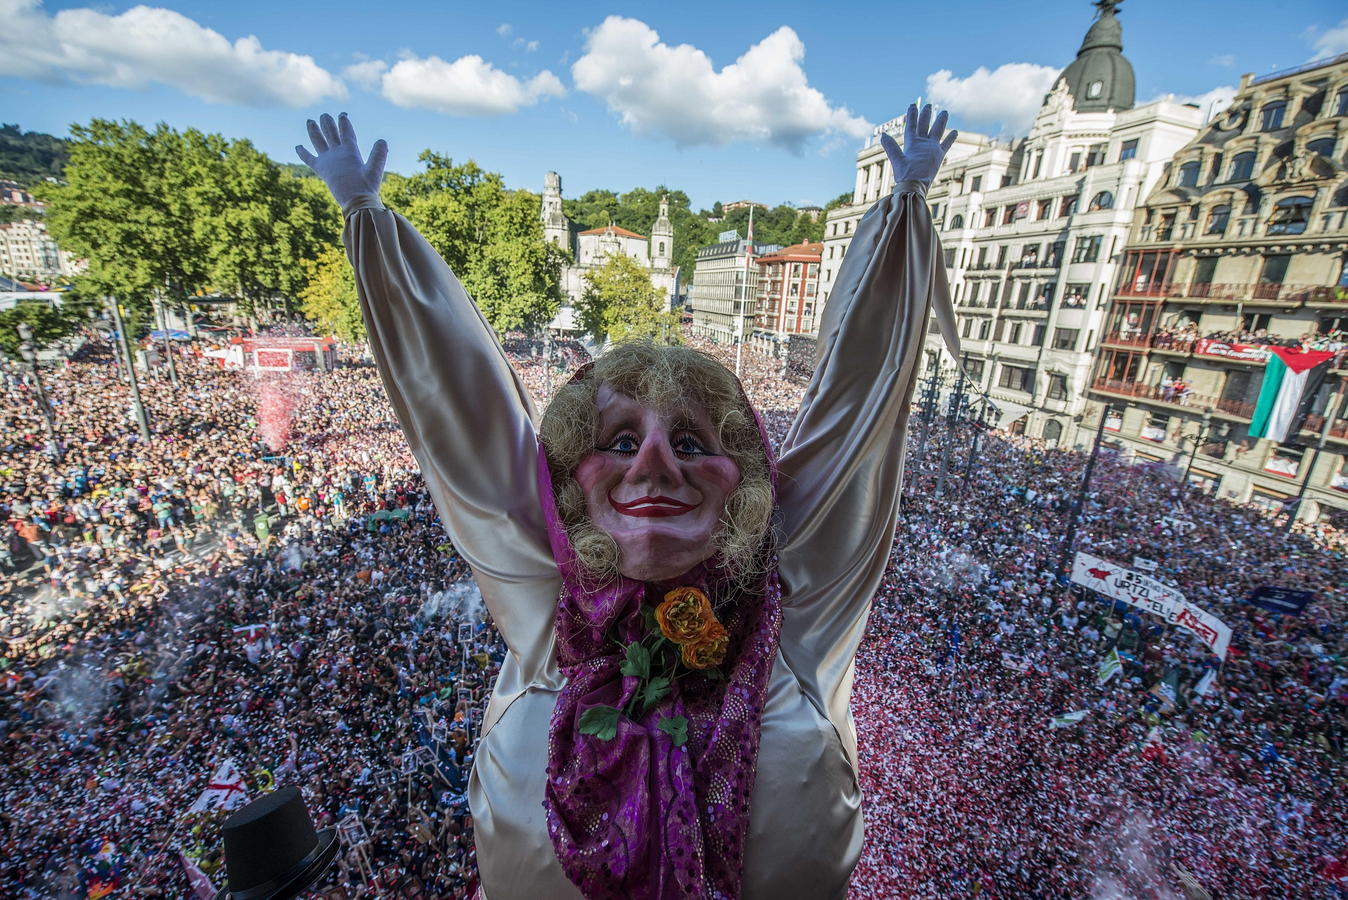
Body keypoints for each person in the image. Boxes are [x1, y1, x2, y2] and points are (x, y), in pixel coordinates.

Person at [296, 103, 959, 899]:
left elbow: (857, 417)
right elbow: (461, 416)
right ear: (568, 485)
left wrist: (903, 222)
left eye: (690, 443)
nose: (652, 464)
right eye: (617, 441)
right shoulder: (547, 613)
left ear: (745, 482)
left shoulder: (797, 618)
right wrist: (373, 232)